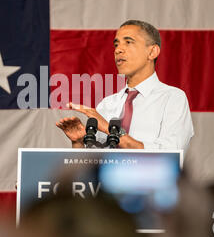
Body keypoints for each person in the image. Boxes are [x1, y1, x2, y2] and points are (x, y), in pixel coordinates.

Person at [56, 20, 194, 152]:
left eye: (128, 42)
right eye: (116, 44)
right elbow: (92, 164)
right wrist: (79, 142)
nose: (118, 50)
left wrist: (107, 128)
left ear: (152, 52)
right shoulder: (107, 104)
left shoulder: (173, 98)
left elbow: (171, 154)